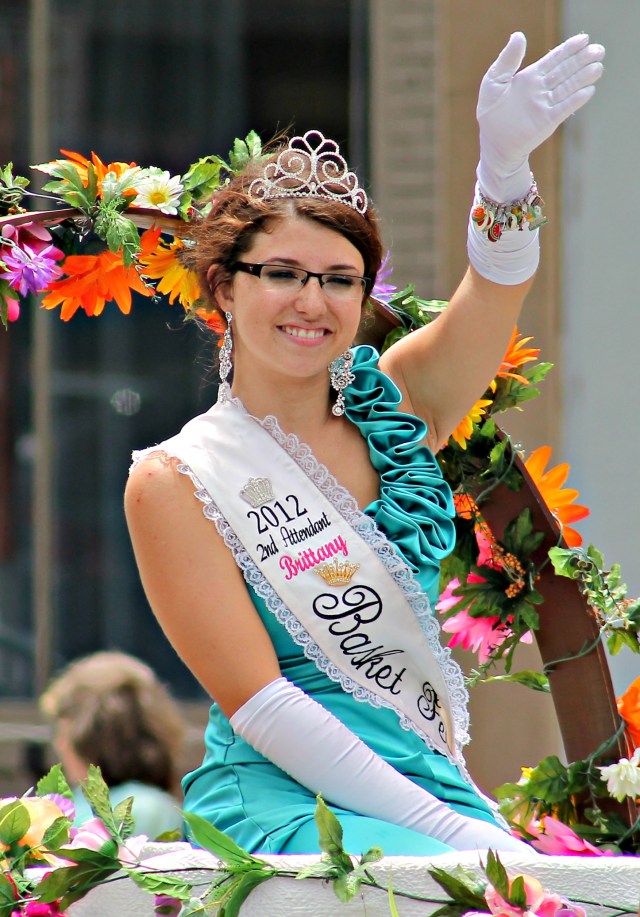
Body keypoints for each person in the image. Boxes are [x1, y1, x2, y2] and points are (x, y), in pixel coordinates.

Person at [124, 32, 604, 856]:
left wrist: (504, 172)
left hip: (426, 786)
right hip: (283, 801)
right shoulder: (177, 480)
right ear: (224, 287)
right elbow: (265, 705)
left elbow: (493, 295)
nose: (312, 300)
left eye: (339, 278)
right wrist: (461, 842)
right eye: (283, 272)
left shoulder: (398, 407)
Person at [40, 651, 185, 839]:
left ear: (84, 734)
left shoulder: (141, 808)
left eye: (60, 729)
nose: (58, 745)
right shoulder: (157, 806)